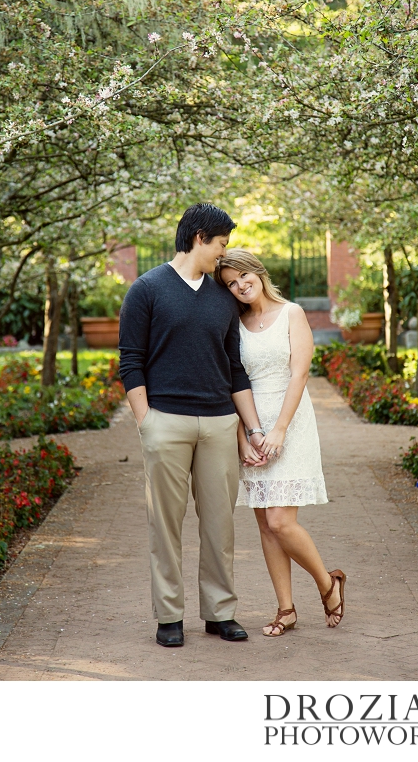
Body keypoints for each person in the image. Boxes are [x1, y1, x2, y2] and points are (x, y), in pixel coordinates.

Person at [119, 203, 269, 648]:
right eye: (221, 244)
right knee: (164, 524)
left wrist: (252, 428)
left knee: (220, 524)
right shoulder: (146, 289)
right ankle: (169, 617)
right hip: (166, 422)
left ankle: (220, 613)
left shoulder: (223, 297)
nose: (224, 255)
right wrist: (147, 423)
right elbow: (131, 362)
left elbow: (235, 368)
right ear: (201, 237)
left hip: (220, 425)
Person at [214, 249, 345, 636]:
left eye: (242, 277)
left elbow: (299, 375)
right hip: (251, 423)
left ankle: (327, 583)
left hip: (289, 422)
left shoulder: (292, 313)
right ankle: (286, 609)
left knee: (280, 520)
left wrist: (280, 429)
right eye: (230, 284)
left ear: (257, 271)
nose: (240, 286)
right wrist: (243, 437)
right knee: (265, 526)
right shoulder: (232, 324)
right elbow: (231, 381)